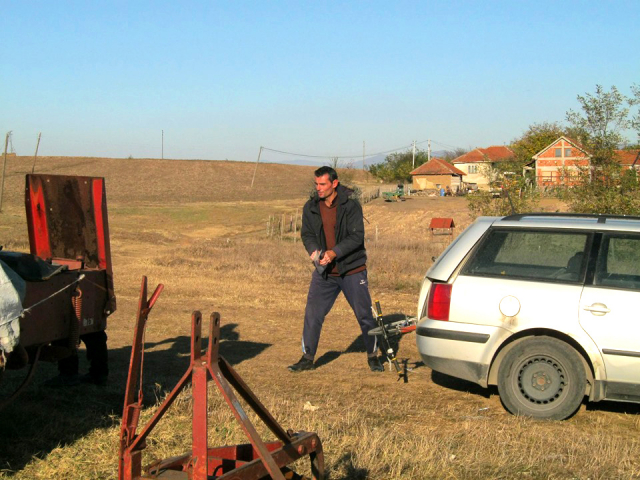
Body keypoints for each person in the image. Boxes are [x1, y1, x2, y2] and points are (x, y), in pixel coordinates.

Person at [288, 166, 383, 372]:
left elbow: (356, 237)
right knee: (313, 313)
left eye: (322, 184)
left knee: (364, 315)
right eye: (316, 184)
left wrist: (334, 252)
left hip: (352, 270)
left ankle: (373, 356)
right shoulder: (311, 206)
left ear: (334, 184)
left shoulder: (351, 206)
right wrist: (316, 253)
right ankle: (307, 358)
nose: (318, 188)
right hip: (325, 273)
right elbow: (307, 235)